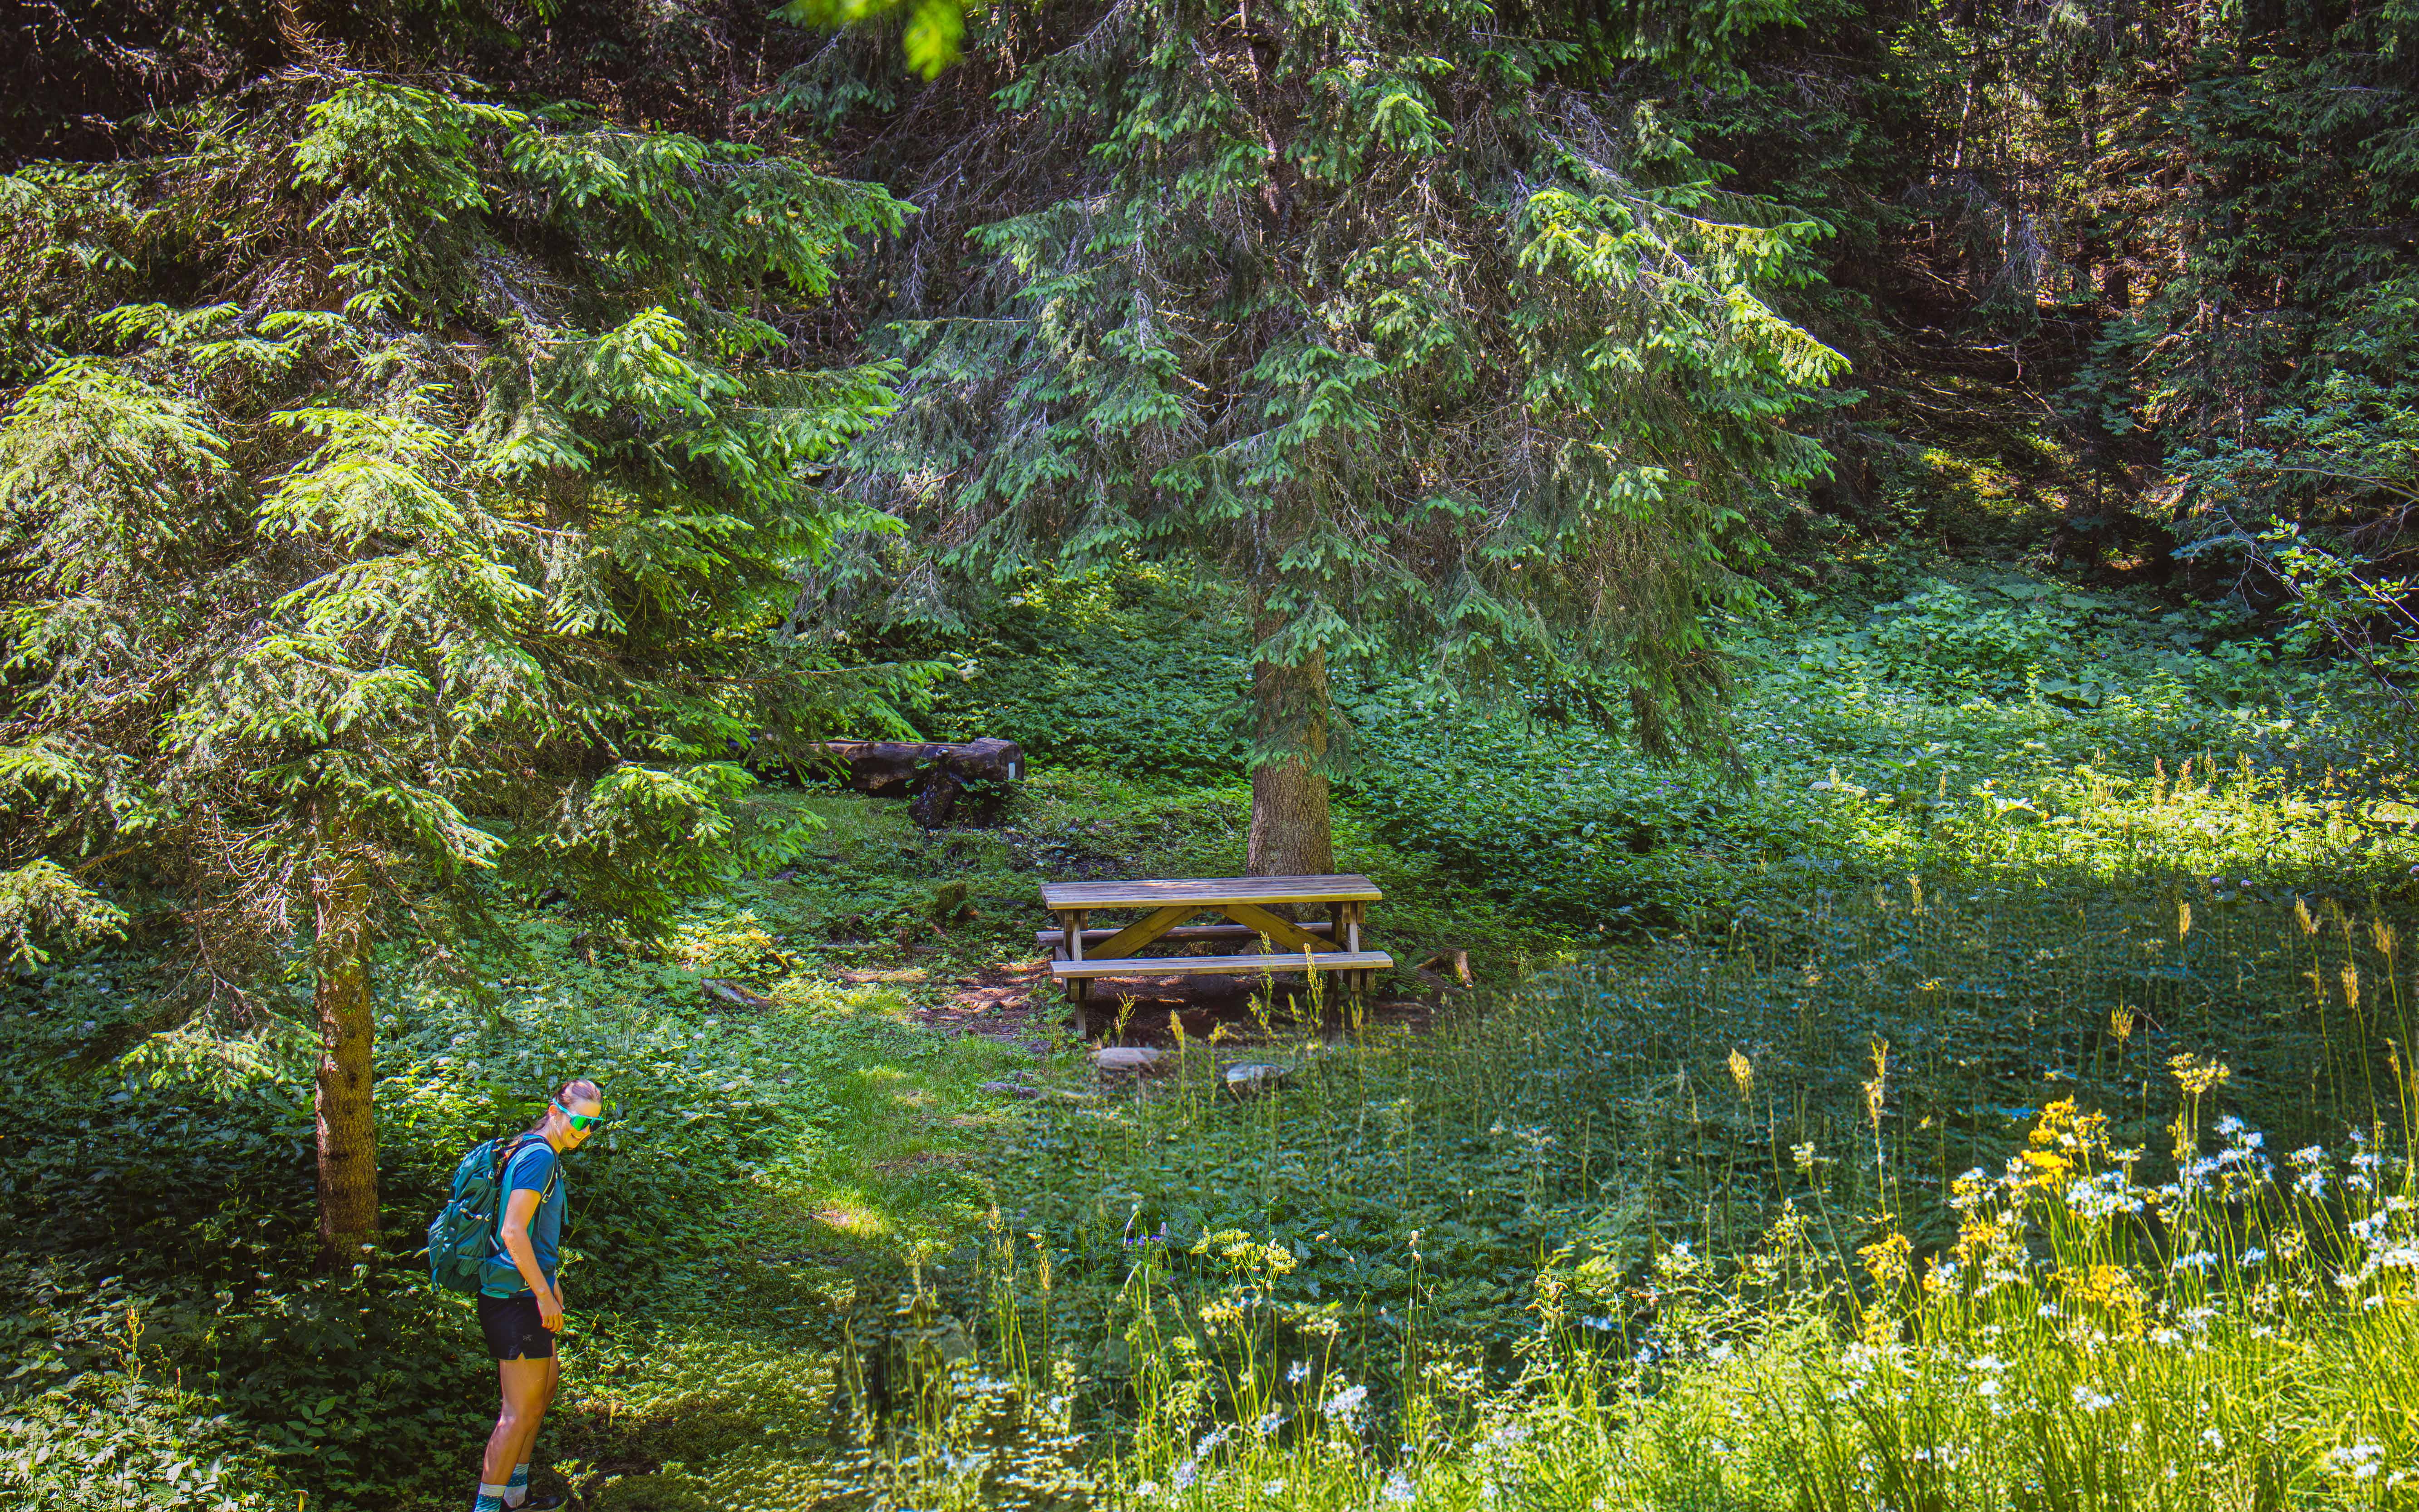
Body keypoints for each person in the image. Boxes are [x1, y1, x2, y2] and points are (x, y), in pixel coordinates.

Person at [469, 1079, 605, 1512]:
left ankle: (516, 1494)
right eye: (580, 1120)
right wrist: (543, 1294)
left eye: (594, 1125)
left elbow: (531, 1232)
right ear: (555, 1110)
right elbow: (512, 1229)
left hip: (526, 1291)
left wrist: (550, 1283)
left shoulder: (538, 1152)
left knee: (543, 1390)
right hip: (514, 1299)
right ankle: (489, 1508)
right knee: (518, 1412)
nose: (584, 1131)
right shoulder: (540, 1156)